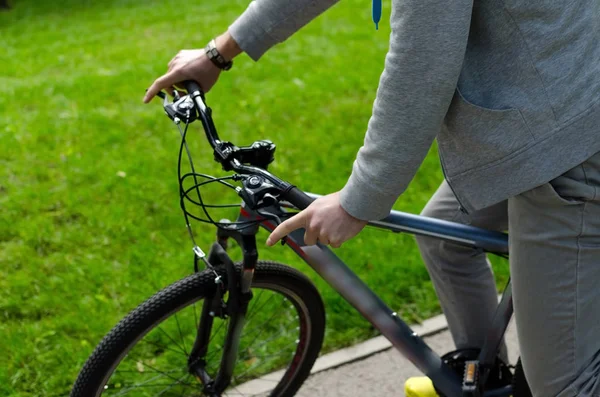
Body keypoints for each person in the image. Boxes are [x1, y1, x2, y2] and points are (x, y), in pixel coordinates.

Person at [143, 0, 600, 395]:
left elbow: (422, 67)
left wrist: (358, 199)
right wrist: (220, 52)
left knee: (562, 385)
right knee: (447, 237)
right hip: (547, 110)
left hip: (572, 144)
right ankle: (485, 377)